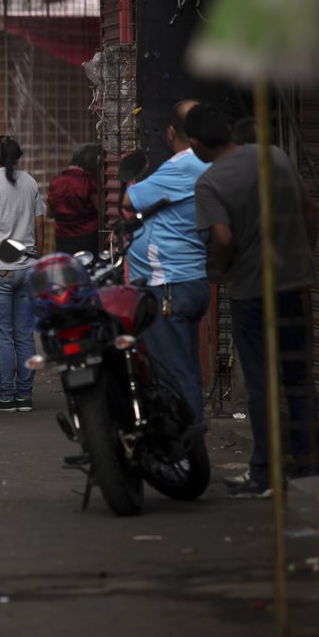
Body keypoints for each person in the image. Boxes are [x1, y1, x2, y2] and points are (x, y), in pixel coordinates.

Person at [190, 110, 319, 498]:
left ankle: (265, 472)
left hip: (251, 289)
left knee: (263, 383)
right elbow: (310, 210)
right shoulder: (274, 156)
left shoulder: (211, 182)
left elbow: (223, 237)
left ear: (197, 144)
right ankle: (310, 467)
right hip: (295, 284)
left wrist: (225, 268)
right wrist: (303, 256)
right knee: (300, 379)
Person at [122, 101, 211, 425]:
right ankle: (189, 442)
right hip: (191, 278)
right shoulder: (209, 164)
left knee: (174, 372)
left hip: (169, 283)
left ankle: (185, 449)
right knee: (185, 367)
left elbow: (130, 200)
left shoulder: (184, 165)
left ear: (172, 132)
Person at [0, 133, 45, 413]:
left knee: (2, 334)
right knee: (25, 334)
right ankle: (25, 397)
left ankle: (5, 397)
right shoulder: (28, 181)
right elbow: (40, 223)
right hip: (27, 267)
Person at [47, 143, 103, 255]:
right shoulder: (89, 182)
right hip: (87, 237)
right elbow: (101, 211)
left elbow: (50, 213)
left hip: (62, 237)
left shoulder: (56, 181)